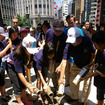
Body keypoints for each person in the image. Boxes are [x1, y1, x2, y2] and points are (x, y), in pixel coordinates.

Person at [57, 27, 95, 104]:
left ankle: (82, 101)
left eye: (75, 41)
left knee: (86, 85)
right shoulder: (68, 46)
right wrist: (61, 78)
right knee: (72, 81)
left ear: (80, 37)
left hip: (88, 65)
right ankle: (75, 97)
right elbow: (64, 62)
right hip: (77, 64)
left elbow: (93, 54)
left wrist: (89, 66)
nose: (73, 43)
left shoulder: (87, 40)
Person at [7, 35, 38, 105]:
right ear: (24, 48)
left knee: (22, 84)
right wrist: (28, 86)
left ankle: (24, 98)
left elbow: (29, 60)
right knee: (17, 84)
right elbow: (19, 73)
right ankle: (20, 102)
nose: (31, 53)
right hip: (11, 68)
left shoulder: (29, 53)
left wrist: (29, 64)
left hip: (20, 66)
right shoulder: (17, 54)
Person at [45, 19, 67, 93]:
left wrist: (61, 63)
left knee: (59, 73)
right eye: (56, 30)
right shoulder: (49, 32)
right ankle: (55, 87)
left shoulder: (64, 36)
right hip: (50, 57)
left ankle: (59, 88)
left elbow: (65, 51)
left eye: (59, 31)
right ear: (53, 28)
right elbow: (46, 44)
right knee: (52, 74)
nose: (58, 33)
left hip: (59, 58)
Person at [91, 31, 105, 105]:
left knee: (101, 97)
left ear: (102, 43)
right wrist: (89, 65)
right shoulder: (98, 51)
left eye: (95, 43)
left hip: (102, 80)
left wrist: (87, 76)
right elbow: (96, 64)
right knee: (99, 97)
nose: (94, 45)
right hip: (99, 81)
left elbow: (102, 72)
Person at [0, 27, 12, 101]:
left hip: (1, 64)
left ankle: (4, 94)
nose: (4, 36)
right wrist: (8, 46)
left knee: (2, 80)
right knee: (1, 81)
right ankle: (3, 95)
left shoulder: (1, 42)